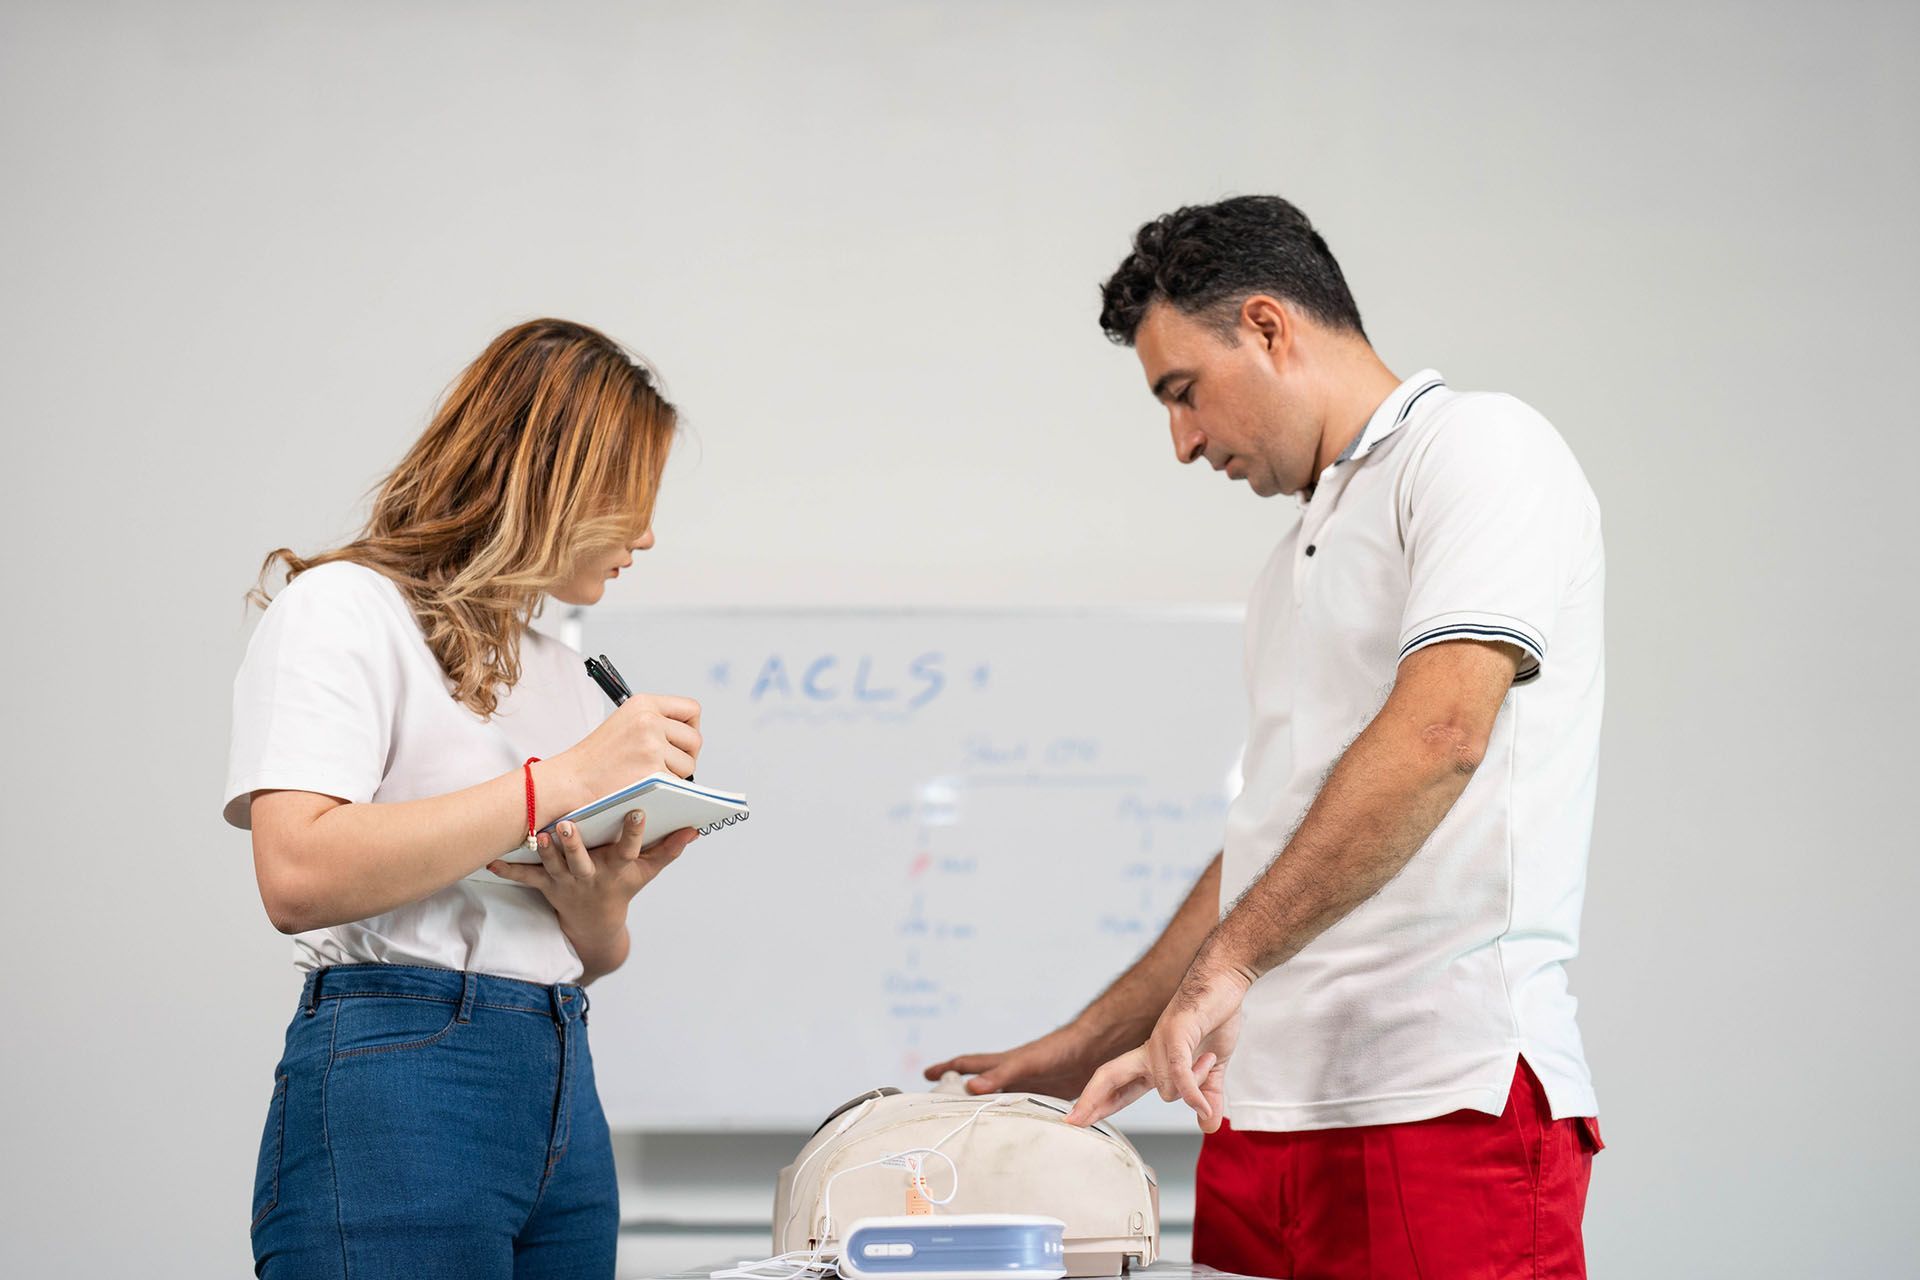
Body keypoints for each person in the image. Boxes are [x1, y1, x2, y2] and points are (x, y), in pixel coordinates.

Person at [926, 197, 1606, 1278]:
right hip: (1256, 1115)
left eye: (1183, 392)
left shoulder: (1480, 445)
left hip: (1439, 1100)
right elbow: (1270, 844)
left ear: (1269, 326)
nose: (1183, 442)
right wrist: (1085, 1039)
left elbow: (1441, 731)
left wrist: (1226, 965)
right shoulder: (1288, 563)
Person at [226, 318, 704, 1278]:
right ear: (552, 480)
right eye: (631, 501)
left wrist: (597, 908)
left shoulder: (566, 675)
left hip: (559, 1077)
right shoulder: (343, 608)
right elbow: (297, 873)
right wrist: (562, 782)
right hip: (401, 1072)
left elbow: (588, 957)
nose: (647, 536)